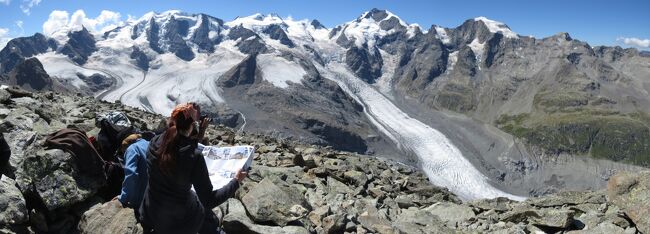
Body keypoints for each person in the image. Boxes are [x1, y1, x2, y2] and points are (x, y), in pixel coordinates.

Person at [139, 103, 246, 234]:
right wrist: (236, 181)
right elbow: (209, 200)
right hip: (177, 223)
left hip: (150, 212)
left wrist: (200, 133)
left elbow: (178, 148)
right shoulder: (193, 156)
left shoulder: (154, 142)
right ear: (191, 126)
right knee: (205, 212)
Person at [115, 134, 149, 209]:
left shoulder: (132, 149)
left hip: (142, 198)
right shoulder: (149, 143)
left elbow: (131, 174)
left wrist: (123, 197)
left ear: (125, 146)